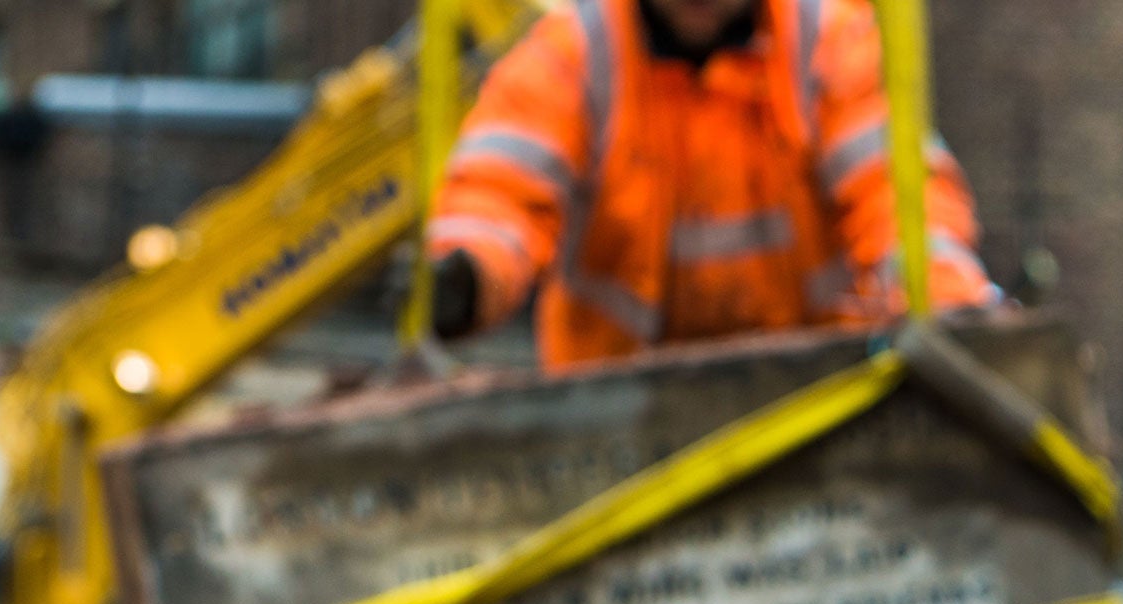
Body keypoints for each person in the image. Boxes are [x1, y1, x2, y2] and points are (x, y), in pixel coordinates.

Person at [427, 0, 1000, 368]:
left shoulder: (829, 44)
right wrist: (464, 275)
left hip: (820, 406)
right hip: (612, 425)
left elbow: (899, 198)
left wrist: (950, 303)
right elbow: (499, 192)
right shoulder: (572, 55)